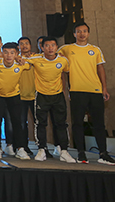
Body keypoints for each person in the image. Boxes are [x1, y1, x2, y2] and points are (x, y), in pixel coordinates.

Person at [58, 22, 115, 165]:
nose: (82, 34)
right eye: (78, 31)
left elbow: (100, 69)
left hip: (95, 91)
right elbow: (54, 59)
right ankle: (81, 153)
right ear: (74, 34)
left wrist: (104, 88)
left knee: (99, 124)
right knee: (77, 123)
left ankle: (103, 153)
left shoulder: (95, 50)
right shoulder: (66, 48)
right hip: (77, 91)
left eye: (84, 31)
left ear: (88, 33)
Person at [25, 37, 76, 163]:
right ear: (42, 48)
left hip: (58, 96)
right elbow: (20, 59)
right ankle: (42, 149)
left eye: (53, 45)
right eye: (47, 45)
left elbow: (66, 74)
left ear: (56, 47)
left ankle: (64, 150)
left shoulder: (63, 60)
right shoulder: (35, 58)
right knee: (40, 123)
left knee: (61, 124)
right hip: (41, 96)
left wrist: (66, 91)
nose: (50, 48)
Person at [0, 42, 31, 160]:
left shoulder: (22, 65)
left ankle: (19, 148)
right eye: (6, 52)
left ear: (16, 54)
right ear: (2, 53)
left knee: (16, 122)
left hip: (14, 96)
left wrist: (20, 58)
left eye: (12, 53)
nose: (9, 55)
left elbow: (30, 63)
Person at [18, 37, 36, 156]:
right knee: (21, 123)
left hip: (35, 95)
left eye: (26, 43)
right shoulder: (15, 59)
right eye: (22, 44)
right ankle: (23, 147)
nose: (24, 46)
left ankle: (41, 147)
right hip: (20, 96)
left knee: (38, 122)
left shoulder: (37, 58)